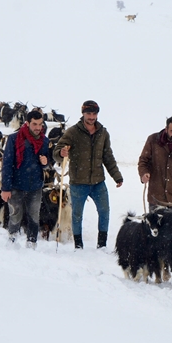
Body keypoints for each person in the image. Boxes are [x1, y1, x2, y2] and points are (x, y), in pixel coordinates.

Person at [53, 100, 123, 250]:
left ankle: (102, 245)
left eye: (94, 113)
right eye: (89, 113)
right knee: (77, 215)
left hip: (98, 182)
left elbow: (108, 156)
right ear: (83, 113)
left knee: (104, 211)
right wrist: (61, 152)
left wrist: (116, 176)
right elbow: (57, 152)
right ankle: (78, 245)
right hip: (78, 182)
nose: (91, 117)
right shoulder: (72, 132)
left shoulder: (103, 133)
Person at [1, 110, 50, 249]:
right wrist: (6, 188)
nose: (38, 127)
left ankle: (32, 242)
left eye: (40, 124)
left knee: (34, 215)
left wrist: (45, 162)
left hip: (35, 185)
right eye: (34, 124)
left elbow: (47, 164)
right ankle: (12, 238)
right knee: (15, 213)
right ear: (27, 123)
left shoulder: (44, 141)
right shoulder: (14, 139)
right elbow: (7, 164)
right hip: (16, 185)